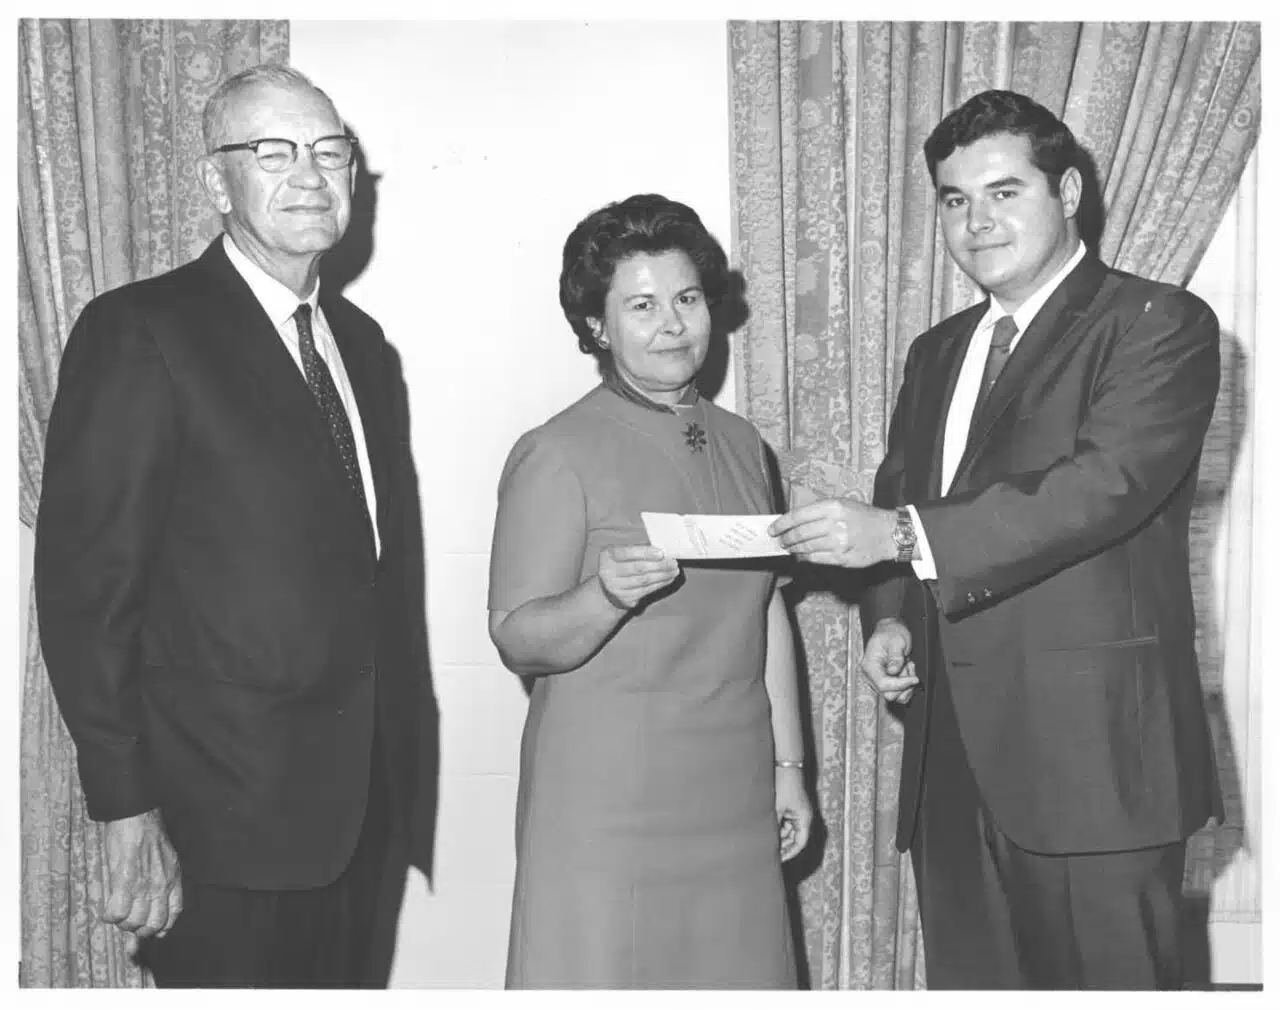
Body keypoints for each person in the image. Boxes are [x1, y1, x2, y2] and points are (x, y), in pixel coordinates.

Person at [769, 90, 1222, 989]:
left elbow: (1104, 487)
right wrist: (890, 619)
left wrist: (898, 535)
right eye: (955, 199)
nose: (977, 223)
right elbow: (905, 492)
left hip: (1097, 769)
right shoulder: (936, 350)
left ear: (1069, 191)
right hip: (950, 761)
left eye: (1004, 192)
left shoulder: (1158, 322)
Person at [34, 65, 422, 988]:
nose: (310, 176)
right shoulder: (140, 329)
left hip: (357, 811)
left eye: (330, 152)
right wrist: (124, 809)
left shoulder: (363, 347)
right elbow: (87, 595)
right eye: (273, 152)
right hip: (217, 818)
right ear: (217, 181)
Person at [487, 194, 810, 989]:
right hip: (609, 801)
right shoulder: (556, 451)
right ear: (597, 326)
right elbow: (516, 637)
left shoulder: (743, 445)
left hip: (733, 787)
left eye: (687, 298)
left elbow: (767, 609)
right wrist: (604, 596)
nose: (673, 324)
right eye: (641, 305)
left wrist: (789, 767)